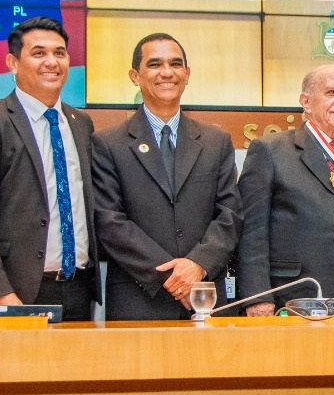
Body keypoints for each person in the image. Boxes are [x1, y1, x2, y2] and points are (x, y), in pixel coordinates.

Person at [0, 17, 99, 320]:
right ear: (12, 62)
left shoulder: (80, 124)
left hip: (78, 289)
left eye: (60, 53)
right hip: (15, 291)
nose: (52, 62)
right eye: (39, 53)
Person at [92, 33, 241, 320]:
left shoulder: (216, 141)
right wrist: (174, 277)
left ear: (187, 74)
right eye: (155, 64)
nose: (167, 72)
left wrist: (197, 264)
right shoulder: (108, 144)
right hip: (139, 299)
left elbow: (230, 214)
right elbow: (109, 220)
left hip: (206, 296)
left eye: (175, 64)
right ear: (135, 76)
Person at [238, 65, 334, 314]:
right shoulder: (270, 151)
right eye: (332, 92)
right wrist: (257, 297)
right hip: (289, 303)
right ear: (305, 102)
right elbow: (251, 234)